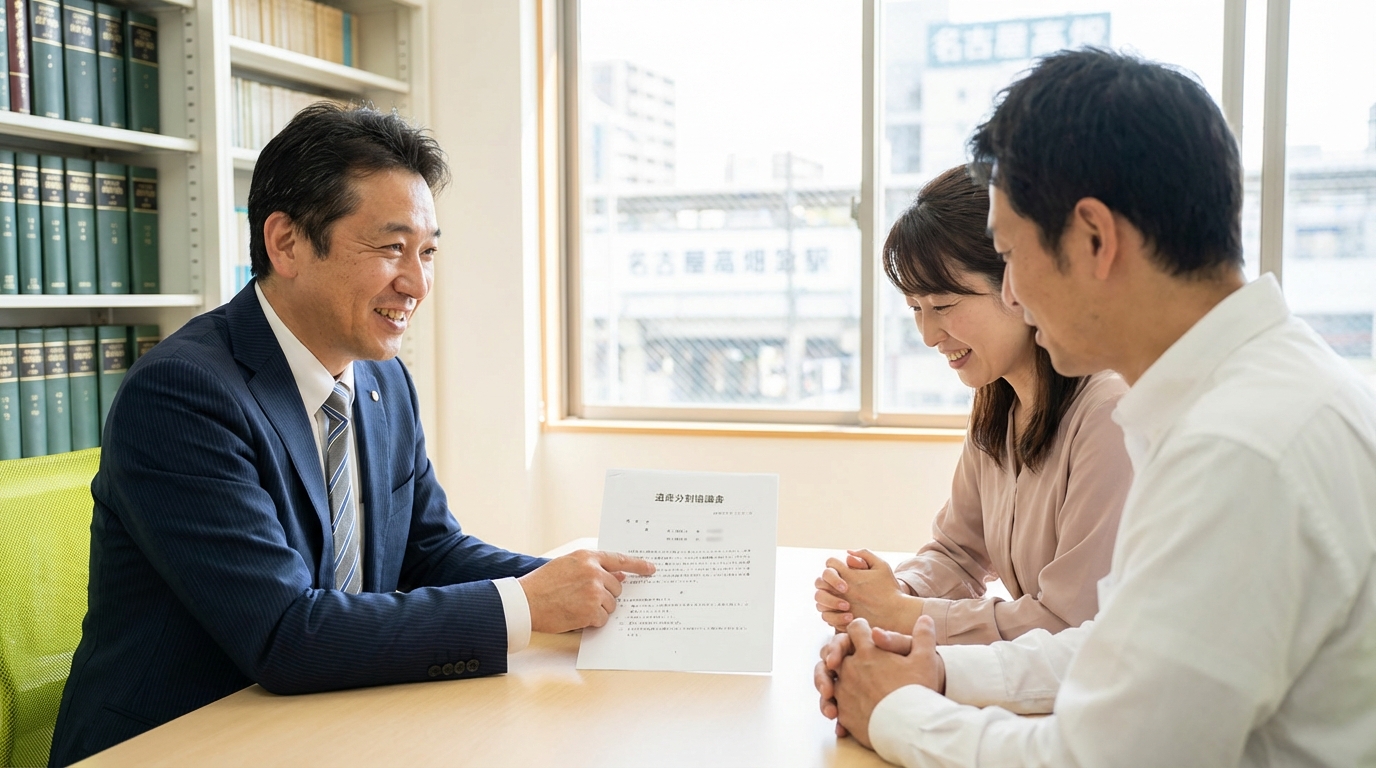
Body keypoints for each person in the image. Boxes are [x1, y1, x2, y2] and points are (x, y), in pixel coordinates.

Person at [815, 49, 1376, 767]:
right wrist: (943, 670)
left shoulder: (1238, 452)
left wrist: (895, 709)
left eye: (1010, 254)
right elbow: (1122, 646)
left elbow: (1093, 757)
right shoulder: (1257, 394)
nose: (1012, 293)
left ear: (1094, 239)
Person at [49, 104, 654, 766]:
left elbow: (428, 550)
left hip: (327, 720)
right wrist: (524, 604)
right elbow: (286, 635)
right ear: (287, 243)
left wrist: (578, 584)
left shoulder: (380, 382)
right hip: (179, 740)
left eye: (427, 252)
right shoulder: (183, 395)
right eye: (391, 248)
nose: (417, 284)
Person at [812, 167, 1130, 645]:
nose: (928, 335)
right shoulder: (998, 398)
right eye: (915, 308)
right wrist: (892, 592)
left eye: (943, 305)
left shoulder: (1109, 412)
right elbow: (959, 551)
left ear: (1018, 283)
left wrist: (906, 614)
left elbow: (1072, 625)